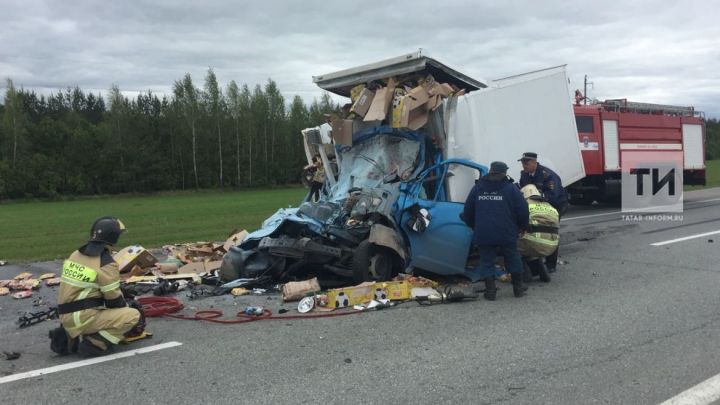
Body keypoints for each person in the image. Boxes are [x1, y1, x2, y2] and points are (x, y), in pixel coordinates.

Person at [49, 217, 141, 357]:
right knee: (132, 315)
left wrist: (119, 290)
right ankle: (95, 342)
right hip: (83, 317)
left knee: (98, 307)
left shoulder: (76, 254)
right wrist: (125, 303)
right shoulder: (105, 263)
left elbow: (88, 285)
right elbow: (114, 301)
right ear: (113, 237)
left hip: (64, 315)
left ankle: (68, 334)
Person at [463, 161, 529, 300]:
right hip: (507, 231)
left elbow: (467, 211)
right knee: (512, 257)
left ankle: (490, 292)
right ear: (504, 173)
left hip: (484, 232)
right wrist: (523, 227)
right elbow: (523, 210)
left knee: (487, 260)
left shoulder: (478, 188)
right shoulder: (511, 188)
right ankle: (518, 289)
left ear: (491, 172)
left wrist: (474, 226)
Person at [518, 152, 568, 272]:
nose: (524, 166)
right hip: (537, 205)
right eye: (522, 163)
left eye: (527, 163)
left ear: (534, 163)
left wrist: (534, 199)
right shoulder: (525, 174)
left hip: (555, 205)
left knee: (550, 231)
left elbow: (552, 196)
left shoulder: (548, 176)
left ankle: (551, 265)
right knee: (532, 231)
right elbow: (523, 190)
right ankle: (535, 259)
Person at [518, 185, 559, 283]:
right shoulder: (549, 205)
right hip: (552, 245)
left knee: (511, 248)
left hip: (534, 242)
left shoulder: (524, 204)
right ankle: (542, 270)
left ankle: (525, 275)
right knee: (531, 244)